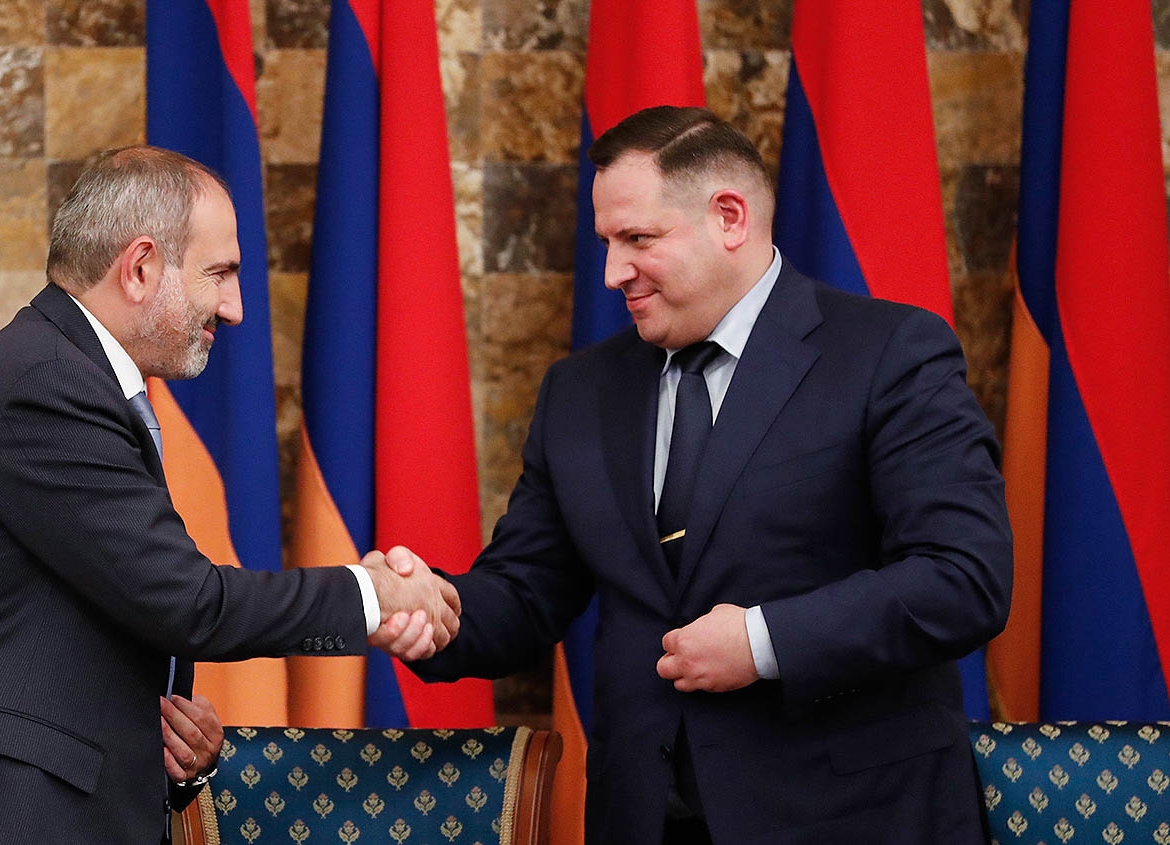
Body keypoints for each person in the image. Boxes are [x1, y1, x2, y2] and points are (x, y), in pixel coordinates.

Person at [390, 107, 1013, 843]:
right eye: (606, 242)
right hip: (644, 819)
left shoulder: (888, 353)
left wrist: (762, 640)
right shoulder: (579, 391)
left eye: (638, 239)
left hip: (851, 819)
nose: (612, 272)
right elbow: (528, 591)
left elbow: (962, 577)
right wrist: (432, 609)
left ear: (729, 217)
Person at [0, 146, 457, 845]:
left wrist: (162, 743)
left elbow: (97, 621)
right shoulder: (46, 385)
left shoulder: (69, 375)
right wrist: (373, 597)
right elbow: (188, 603)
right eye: (220, 274)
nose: (235, 309)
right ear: (139, 268)